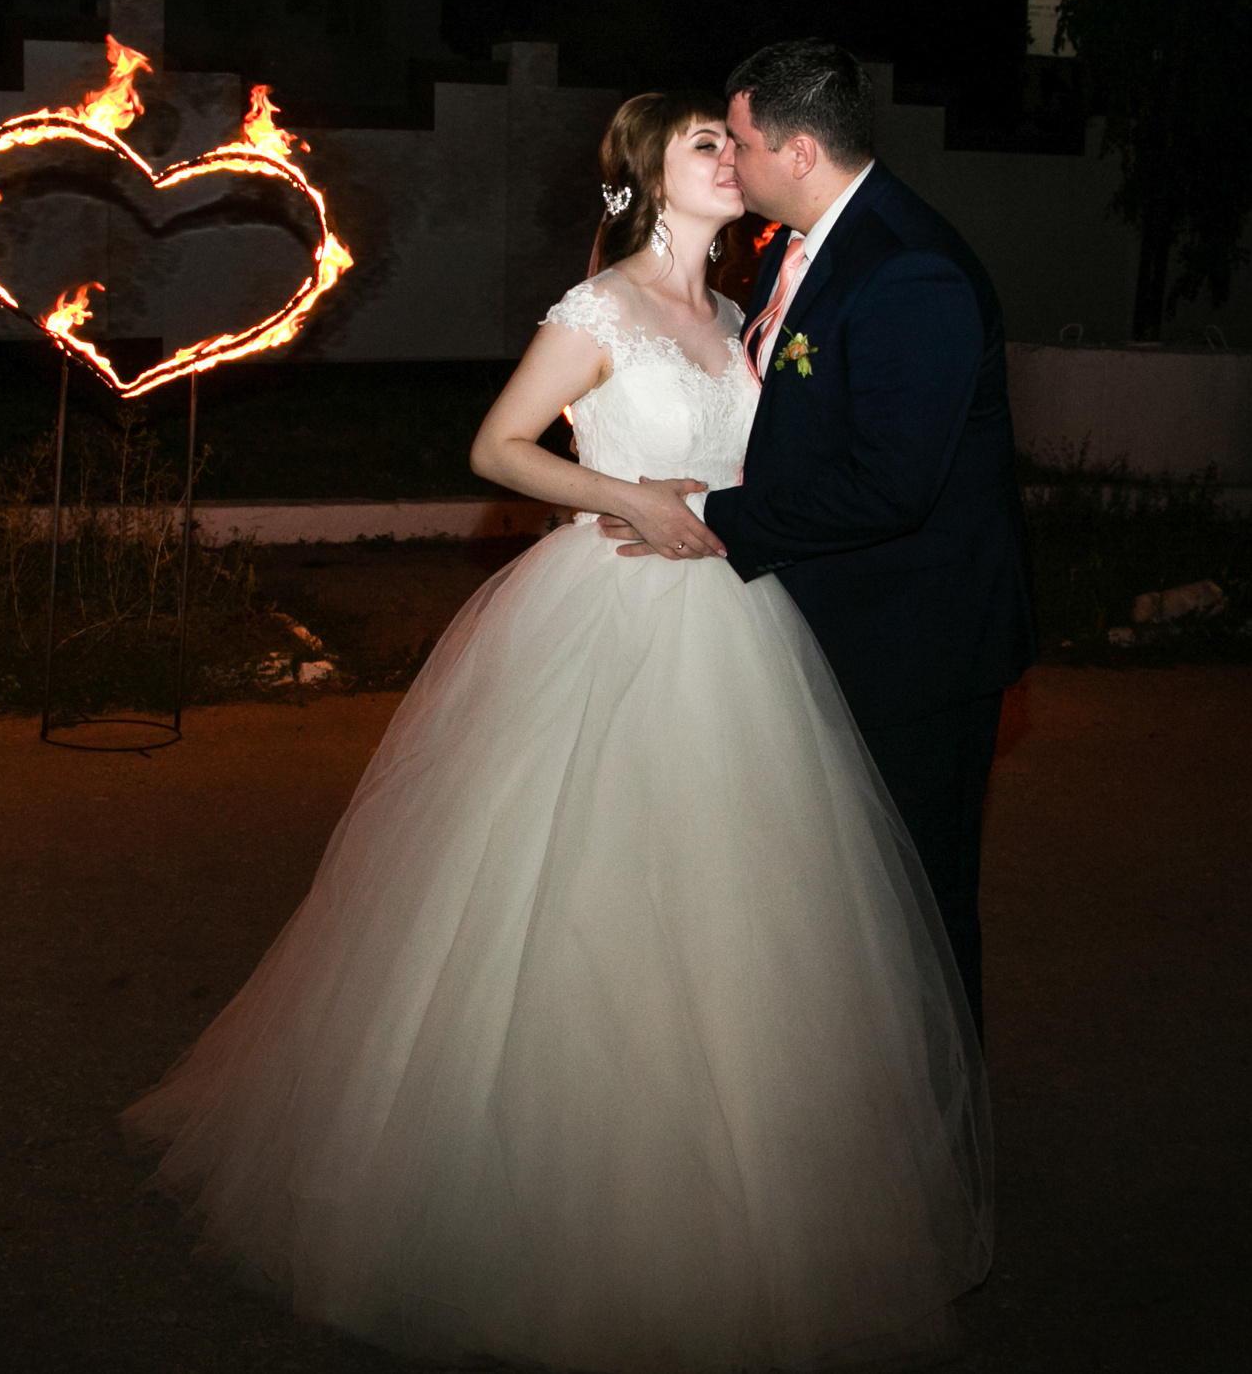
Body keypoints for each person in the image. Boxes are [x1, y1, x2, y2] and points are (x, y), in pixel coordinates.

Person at [124, 92, 992, 1372]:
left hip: (737, 628)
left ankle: (731, 1197)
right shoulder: (596, 310)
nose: (732, 159)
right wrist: (623, 493)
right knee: (567, 895)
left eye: (734, 141)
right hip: (609, 609)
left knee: (738, 914)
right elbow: (498, 446)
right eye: (708, 144)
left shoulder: (748, 319)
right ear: (652, 177)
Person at [607, 41, 1038, 1035]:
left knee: (914, 902)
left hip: (913, 645)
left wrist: (707, 515)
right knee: (830, 902)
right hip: (825, 619)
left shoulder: (910, 270)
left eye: (743, 143)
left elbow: (889, 486)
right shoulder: (802, 249)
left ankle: (933, 1134)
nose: (729, 163)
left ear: (799, 153)